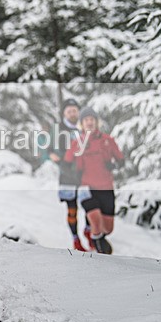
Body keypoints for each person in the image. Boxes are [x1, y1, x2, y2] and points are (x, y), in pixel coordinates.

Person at [64, 106, 124, 254]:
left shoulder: (107, 140)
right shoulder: (77, 143)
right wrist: (73, 173)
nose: (89, 123)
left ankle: (99, 238)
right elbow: (66, 163)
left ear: (97, 122)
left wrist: (114, 165)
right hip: (87, 188)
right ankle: (97, 249)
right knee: (95, 221)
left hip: (106, 187)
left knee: (108, 228)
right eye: (86, 120)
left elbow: (121, 161)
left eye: (92, 120)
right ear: (82, 124)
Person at [48, 98, 93, 251]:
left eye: (75, 110)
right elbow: (50, 149)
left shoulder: (85, 127)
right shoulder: (58, 129)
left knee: (90, 205)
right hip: (67, 174)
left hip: (85, 173)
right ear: (64, 114)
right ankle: (76, 239)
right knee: (72, 208)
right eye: (69, 111)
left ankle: (89, 231)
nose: (73, 113)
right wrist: (57, 159)